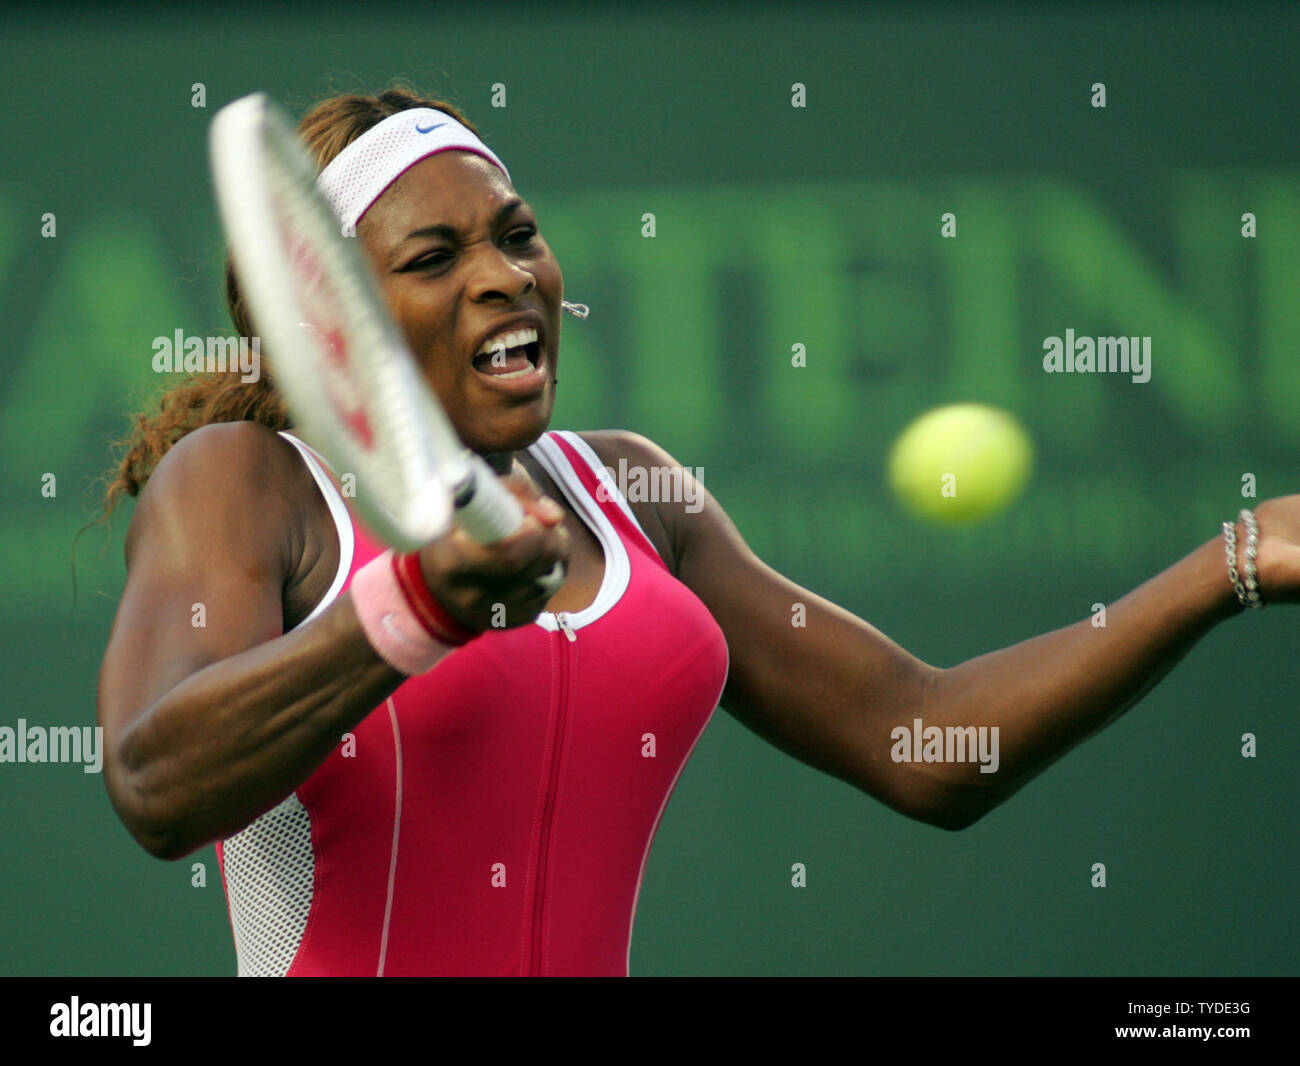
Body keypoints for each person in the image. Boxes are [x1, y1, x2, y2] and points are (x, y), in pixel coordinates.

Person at [96, 86, 1300, 977]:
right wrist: (415, 610)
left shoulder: (635, 492)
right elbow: (154, 779)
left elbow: (925, 740)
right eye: (435, 255)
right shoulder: (248, 481)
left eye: (517, 234)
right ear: (337, 322)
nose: (506, 276)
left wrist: (1228, 562)